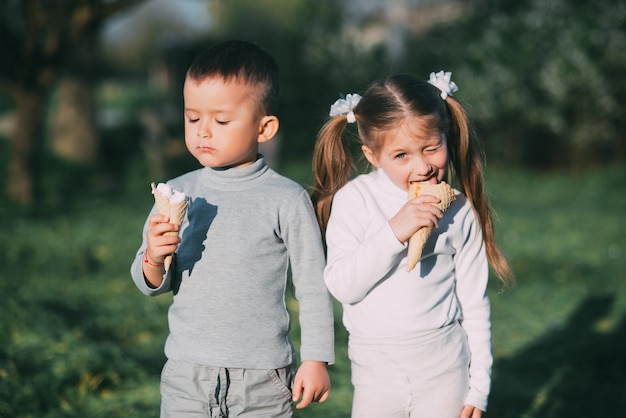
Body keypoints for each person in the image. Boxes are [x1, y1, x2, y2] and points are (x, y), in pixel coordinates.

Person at [130, 40, 335, 417]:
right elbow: (150, 282)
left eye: (221, 121)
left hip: (262, 380)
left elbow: (312, 285)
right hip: (186, 374)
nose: (204, 131)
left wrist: (317, 358)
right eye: (193, 118)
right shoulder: (177, 192)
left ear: (264, 127)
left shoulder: (285, 199)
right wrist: (154, 256)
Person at [312, 71, 514, 418]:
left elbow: (473, 304)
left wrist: (478, 389)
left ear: (445, 138)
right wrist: (395, 232)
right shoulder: (355, 201)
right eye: (401, 155)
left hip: (445, 368)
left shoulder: (460, 209)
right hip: (376, 374)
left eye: (432, 148)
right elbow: (343, 286)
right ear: (373, 156)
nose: (422, 166)